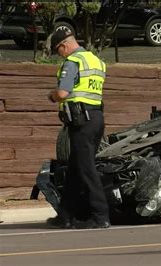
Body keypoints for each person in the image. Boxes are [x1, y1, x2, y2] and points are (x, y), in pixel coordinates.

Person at [47, 28, 110, 229]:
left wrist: (52, 96)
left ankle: (100, 216)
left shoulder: (73, 62)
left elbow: (63, 93)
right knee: (76, 168)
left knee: (86, 168)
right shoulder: (95, 60)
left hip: (82, 121)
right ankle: (65, 216)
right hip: (96, 118)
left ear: (64, 46)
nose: (60, 55)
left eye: (58, 51)